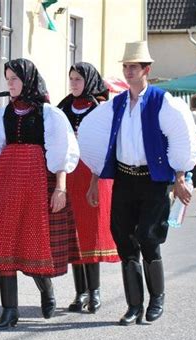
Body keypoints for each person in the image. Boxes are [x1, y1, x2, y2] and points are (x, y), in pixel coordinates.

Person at [78, 41, 196, 325]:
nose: (129, 71)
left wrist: (180, 176)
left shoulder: (162, 101)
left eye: (134, 67)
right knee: (124, 240)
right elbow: (101, 142)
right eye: (126, 67)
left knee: (147, 236)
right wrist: (95, 178)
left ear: (147, 70)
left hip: (152, 181)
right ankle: (134, 305)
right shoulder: (117, 104)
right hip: (124, 179)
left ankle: (157, 299)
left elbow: (181, 136)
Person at [0, 58, 80, 330]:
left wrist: (61, 188)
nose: (10, 84)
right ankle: (9, 311)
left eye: (14, 79)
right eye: (7, 79)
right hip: (5, 183)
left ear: (28, 80)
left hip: (35, 182)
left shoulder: (49, 114)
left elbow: (60, 150)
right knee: (4, 243)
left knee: (32, 241)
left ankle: (46, 288)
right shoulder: (0, 117)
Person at [57, 62, 120, 314]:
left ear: (89, 81)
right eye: (70, 78)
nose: (73, 83)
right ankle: (80, 292)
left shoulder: (100, 108)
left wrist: (97, 174)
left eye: (77, 79)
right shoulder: (62, 108)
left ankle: (94, 292)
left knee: (90, 232)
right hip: (71, 174)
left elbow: (107, 143)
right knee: (74, 234)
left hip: (93, 173)